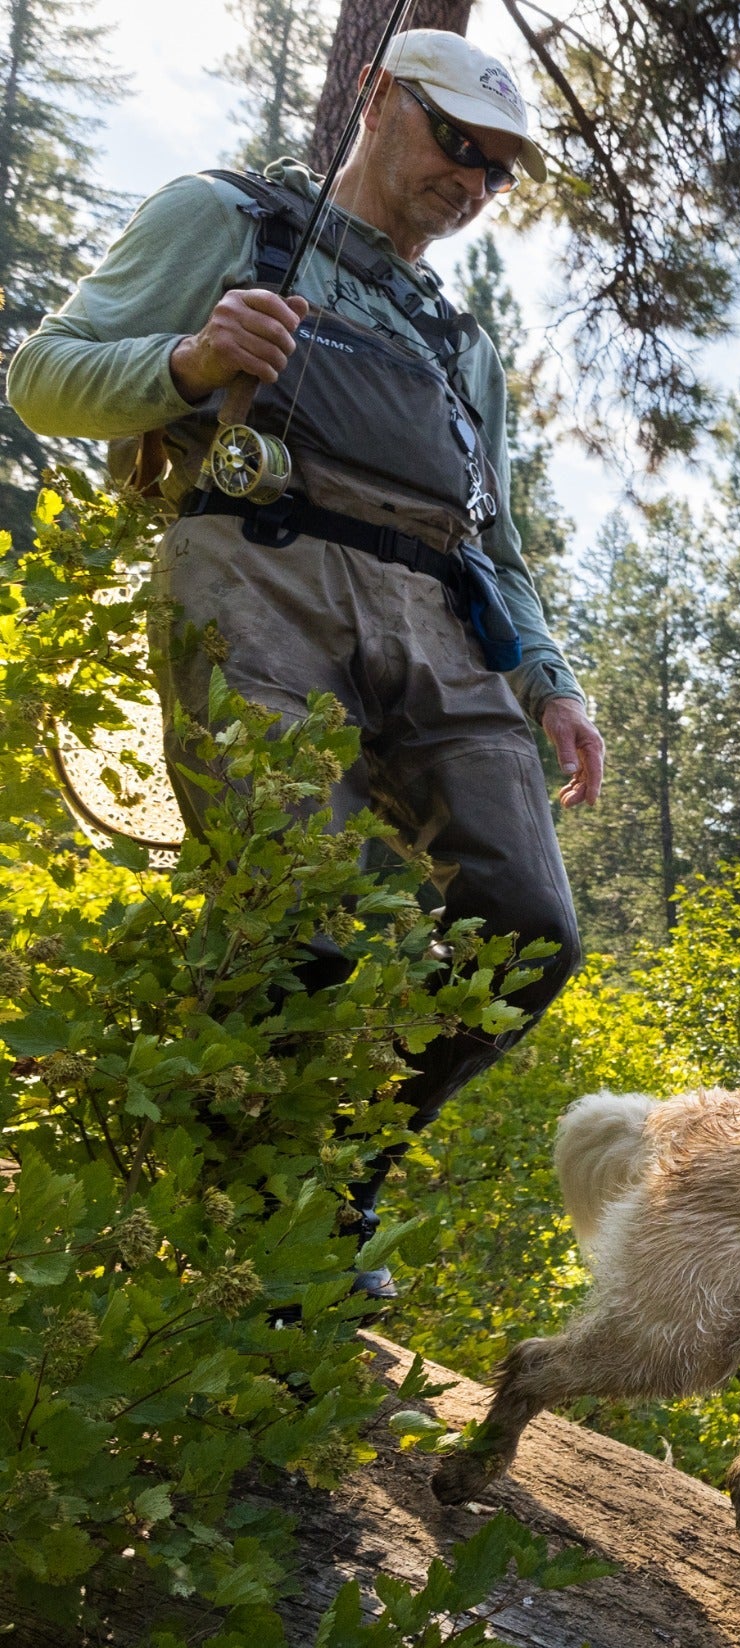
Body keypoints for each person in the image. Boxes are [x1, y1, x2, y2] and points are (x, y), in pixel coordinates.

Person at [8, 31, 604, 1302]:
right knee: (299, 918)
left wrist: (550, 679)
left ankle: (337, 1175)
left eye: (499, 173)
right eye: (458, 143)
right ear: (381, 102)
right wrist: (187, 363)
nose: (473, 184)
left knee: (529, 927)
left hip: (439, 619)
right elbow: (44, 379)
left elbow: (497, 532)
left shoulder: (461, 342)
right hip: (257, 576)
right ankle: (262, 1241)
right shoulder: (224, 218)